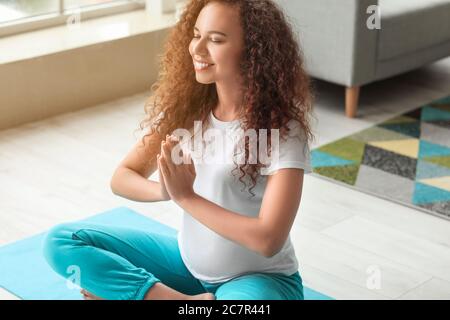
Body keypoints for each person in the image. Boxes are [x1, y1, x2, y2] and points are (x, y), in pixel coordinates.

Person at [43, 0, 315, 300]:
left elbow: (268, 240)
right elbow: (122, 176)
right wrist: (166, 190)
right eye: (196, 34)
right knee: (62, 241)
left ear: (253, 50)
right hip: (186, 268)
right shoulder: (188, 112)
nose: (197, 49)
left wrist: (186, 196)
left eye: (215, 39)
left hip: (261, 281)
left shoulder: (283, 130)